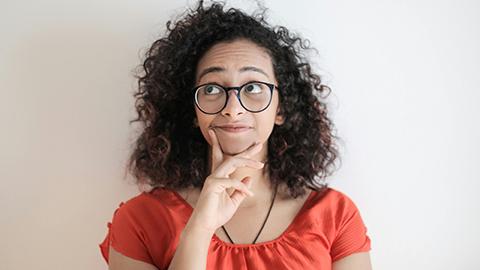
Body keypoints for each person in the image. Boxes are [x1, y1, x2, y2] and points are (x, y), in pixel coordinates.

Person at [99, 1, 372, 269]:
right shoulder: (139, 220)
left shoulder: (336, 215)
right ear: (193, 112)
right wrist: (200, 227)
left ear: (281, 108)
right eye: (211, 89)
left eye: (253, 88)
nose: (233, 109)